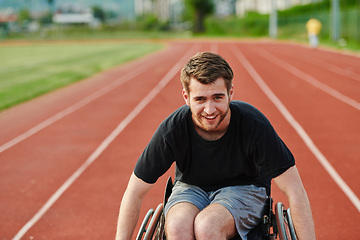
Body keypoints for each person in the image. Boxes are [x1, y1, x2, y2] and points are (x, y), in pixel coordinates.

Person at [115, 52, 316, 240]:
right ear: (187, 98)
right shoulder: (173, 130)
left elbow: (295, 190)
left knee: (207, 225)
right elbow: (134, 191)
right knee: (176, 226)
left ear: (231, 93)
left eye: (217, 97)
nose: (209, 110)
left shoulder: (253, 125)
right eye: (200, 99)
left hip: (245, 188)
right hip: (190, 188)